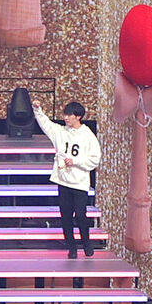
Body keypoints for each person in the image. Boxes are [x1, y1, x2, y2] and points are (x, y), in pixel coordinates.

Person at [33, 100, 101, 258]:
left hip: (79, 183)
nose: (66, 118)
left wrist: (75, 162)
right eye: (65, 115)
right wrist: (37, 109)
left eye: (69, 115)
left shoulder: (87, 136)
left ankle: (86, 243)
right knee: (66, 216)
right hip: (63, 181)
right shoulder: (61, 132)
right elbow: (46, 124)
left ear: (78, 117)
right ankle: (72, 248)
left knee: (81, 215)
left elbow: (94, 159)